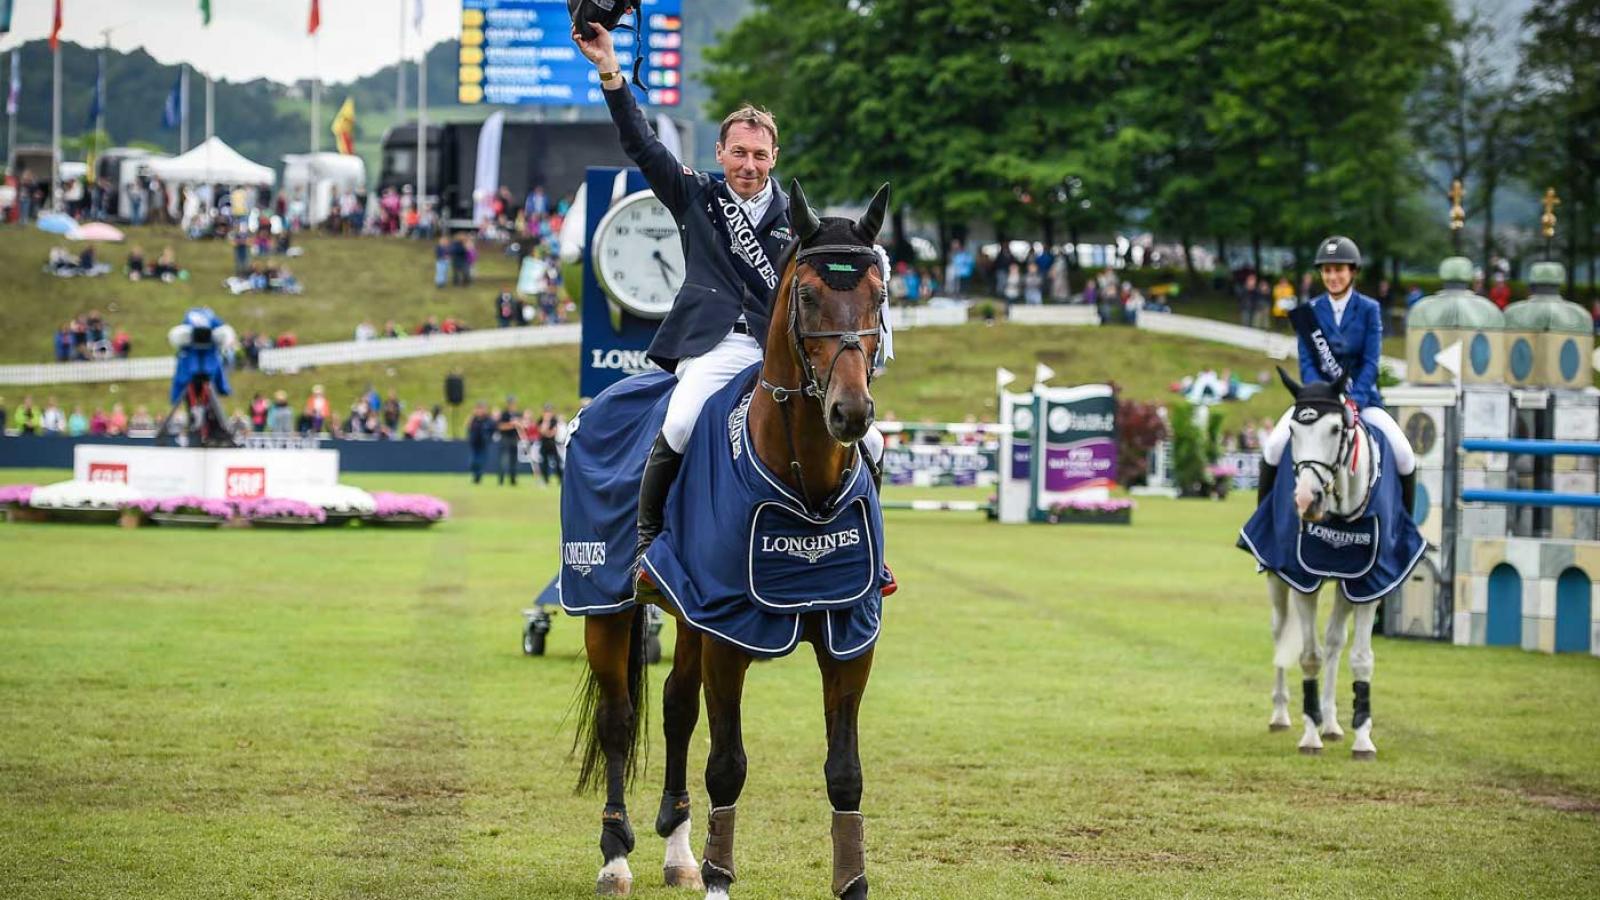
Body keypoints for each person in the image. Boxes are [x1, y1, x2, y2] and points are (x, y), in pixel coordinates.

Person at [575, 21, 795, 565]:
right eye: (739, 153)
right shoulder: (696, 194)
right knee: (679, 419)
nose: (749, 165)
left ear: (775, 158)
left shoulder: (799, 217)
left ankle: (865, 550)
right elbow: (640, 143)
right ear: (720, 152)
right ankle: (648, 541)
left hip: (783, 353)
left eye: (760, 155)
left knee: (872, 440)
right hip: (716, 346)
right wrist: (609, 68)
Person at [1262, 235, 1416, 511]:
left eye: (1339, 270)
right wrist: (1319, 396)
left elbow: (1371, 361)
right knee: (1273, 446)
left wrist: (1354, 400)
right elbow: (1307, 362)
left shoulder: (1369, 309)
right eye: (1327, 270)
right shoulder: (1309, 313)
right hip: (1318, 402)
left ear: (1352, 272)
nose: (1333, 276)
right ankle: (1262, 525)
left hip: (1363, 400)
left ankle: (1407, 531)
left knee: (1404, 454)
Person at [496, 395, 522, 486]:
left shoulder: (518, 414)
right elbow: (500, 426)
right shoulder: (504, 414)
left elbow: (521, 427)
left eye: (514, 403)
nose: (512, 405)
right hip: (505, 439)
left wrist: (519, 425)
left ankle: (513, 480)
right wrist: (511, 424)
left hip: (514, 439)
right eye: (511, 403)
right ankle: (501, 480)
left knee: (514, 460)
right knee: (504, 460)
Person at [536, 402, 563, 486]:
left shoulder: (554, 420)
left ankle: (560, 478)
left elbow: (553, 432)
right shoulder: (541, 420)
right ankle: (545, 479)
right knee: (544, 463)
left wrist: (546, 432)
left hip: (552, 443)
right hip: (544, 443)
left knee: (557, 461)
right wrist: (546, 421)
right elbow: (541, 431)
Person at [467, 402, 494, 483]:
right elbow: (469, 428)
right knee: (473, 461)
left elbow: (493, 428)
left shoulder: (488, 419)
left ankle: (478, 477)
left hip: (483, 443)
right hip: (474, 443)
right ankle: (475, 475)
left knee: (480, 461)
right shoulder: (474, 419)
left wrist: (489, 438)